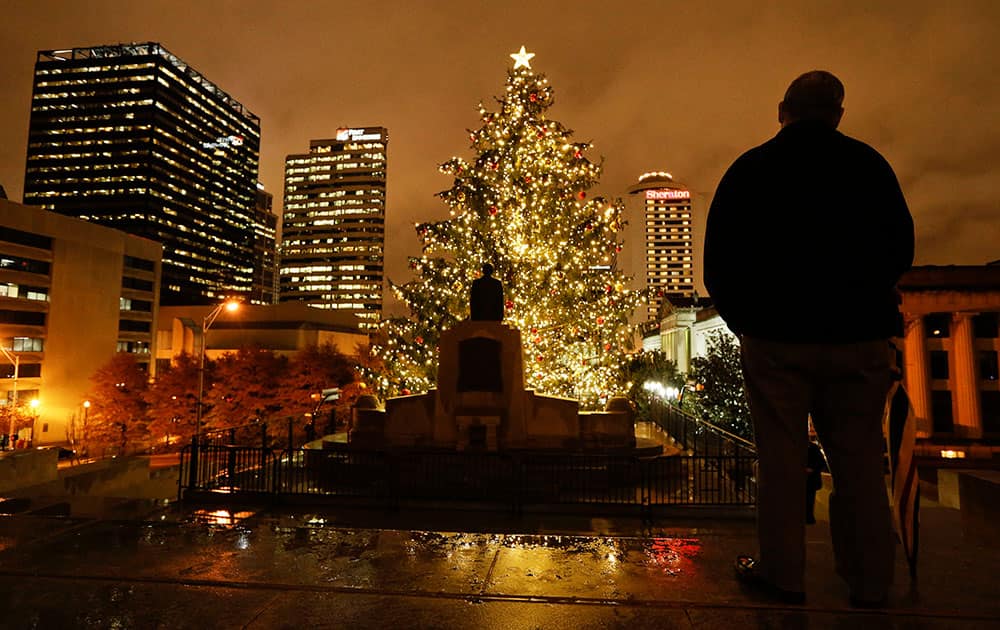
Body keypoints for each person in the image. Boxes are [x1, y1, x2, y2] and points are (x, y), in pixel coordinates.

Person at [704, 70, 914, 607]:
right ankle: (870, 581)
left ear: (782, 110)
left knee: (779, 459)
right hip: (857, 338)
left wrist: (744, 320)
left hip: (776, 338)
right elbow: (901, 250)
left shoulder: (750, 170)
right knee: (861, 462)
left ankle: (783, 574)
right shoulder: (870, 167)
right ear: (838, 115)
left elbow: (718, 264)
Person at [806, 438, 826, 524]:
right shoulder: (811, 447)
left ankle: (809, 518)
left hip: (811, 480)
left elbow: (822, 463)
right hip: (805, 480)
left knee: (809, 499)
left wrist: (812, 469)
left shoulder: (814, 448)